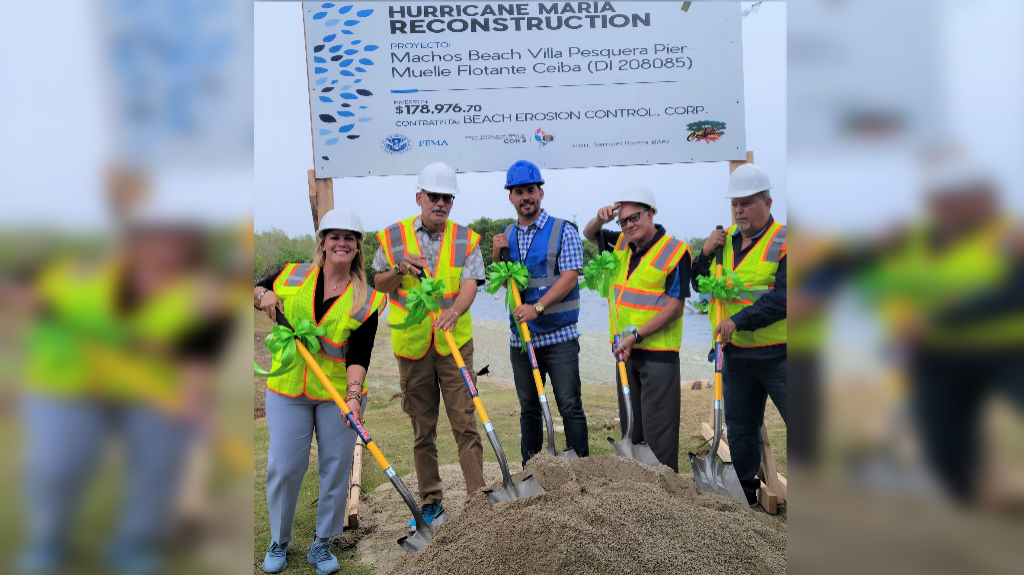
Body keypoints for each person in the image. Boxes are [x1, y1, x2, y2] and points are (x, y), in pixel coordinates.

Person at [19, 206, 232, 575]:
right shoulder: (79, 272)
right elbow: (20, 292)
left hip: (151, 391)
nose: (166, 246)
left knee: (160, 461)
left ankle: (133, 542)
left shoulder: (203, 295)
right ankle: (48, 541)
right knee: (56, 466)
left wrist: (192, 403)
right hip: (70, 385)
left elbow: (200, 354)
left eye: (177, 237)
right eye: (156, 235)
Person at [255, 208, 386, 575]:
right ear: (323, 243)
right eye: (335, 236)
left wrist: (355, 397)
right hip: (287, 389)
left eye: (349, 238)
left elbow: (360, 354)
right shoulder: (293, 273)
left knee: (336, 467)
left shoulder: (368, 299)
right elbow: (256, 287)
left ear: (358, 247)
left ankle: (322, 543)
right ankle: (279, 541)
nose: (341, 243)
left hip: (337, 395)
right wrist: (262, 295)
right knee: (284, 465)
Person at [371, 162, 486, 532]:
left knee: (465, 421)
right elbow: (379, 283)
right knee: (423, 429)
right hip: (413, 347)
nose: (440, 203)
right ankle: (431, 503)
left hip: (455, 345)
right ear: (419, 197)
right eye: (433, 196)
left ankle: (477, 499)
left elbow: (470, 283)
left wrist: (454, 310)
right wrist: (400, 269)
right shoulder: (393, 237)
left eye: (446, 198)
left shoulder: (467, 238)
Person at [691, 163, 787, 506]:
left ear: (768, 203)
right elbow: (700, 284)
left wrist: (739, 321)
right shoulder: (724, 243)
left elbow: (785, 298)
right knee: (742, 428)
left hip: (780, 354)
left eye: (746, 203)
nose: (739, 210)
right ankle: (745, 492)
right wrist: (703, 255)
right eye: (734, 204)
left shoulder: (786, 241)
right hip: (736, 355)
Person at [583, 185, 691, 472]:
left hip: (658, 353)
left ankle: (666, 492)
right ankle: (638, 493)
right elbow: (589, 232)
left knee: (660, 435)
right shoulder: (619, 244)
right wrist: (600, 219)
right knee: (632, 427)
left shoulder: (675, 251)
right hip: (624, 352)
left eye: (635, 217)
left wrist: (637, 336)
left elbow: (675, 307)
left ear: (651, 213)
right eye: (624, 220)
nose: (629, 224)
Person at [492, 160, 589, 465]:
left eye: (530, 190)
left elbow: (570, 276)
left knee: (569, 404)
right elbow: (500, 280)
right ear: (511, 197)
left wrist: (537, 308)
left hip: (559, 336)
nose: (526, 197)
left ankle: (579, 469)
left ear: (541, 192)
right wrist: (496, 254)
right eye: (519, 192)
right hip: (522, 340)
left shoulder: (564, 230)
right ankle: (531, 470)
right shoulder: (506, 234)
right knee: (529, 409)